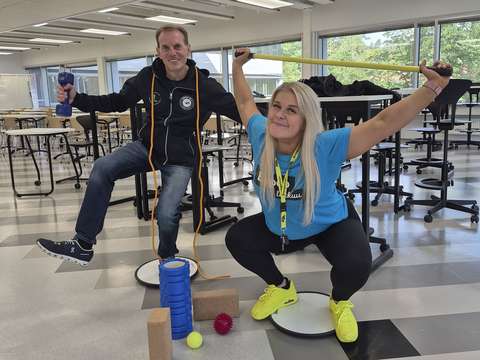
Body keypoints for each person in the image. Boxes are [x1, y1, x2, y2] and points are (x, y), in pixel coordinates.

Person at [226, 48, 450, 343]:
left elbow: (383, 123)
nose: (279, 114)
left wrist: (432, 88)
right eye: (277, 106)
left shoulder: (325, 145)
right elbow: (244, 100)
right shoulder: (260, 132)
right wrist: (237, 66)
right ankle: (281, 287)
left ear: (306, 118)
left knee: (357, 264)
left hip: (328, 223)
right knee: (237, 239)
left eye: (291, 110)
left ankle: (340, 301)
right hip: (282, 229)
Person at [36, 25, 239, 266]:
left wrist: (278, 120)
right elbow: (117, 101)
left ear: (188, 49)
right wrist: (77, 99)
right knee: (102, 167)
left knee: (166, 214)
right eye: (166, 47)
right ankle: (82, 244)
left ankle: (167, 257)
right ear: (158, 51)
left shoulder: (204, 85)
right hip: (147, 147)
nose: (172, 52)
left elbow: (239, 110)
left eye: (177, 46)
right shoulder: (147, 77)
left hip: (180, 158)